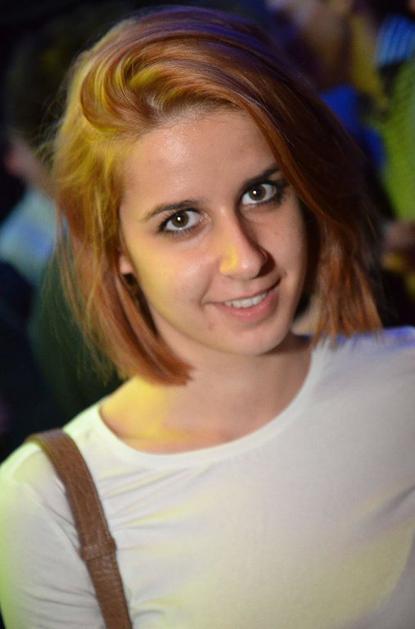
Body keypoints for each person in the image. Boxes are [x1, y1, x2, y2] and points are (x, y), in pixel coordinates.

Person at [0, 5, 414, 627]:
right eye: (181, 220)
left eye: (260, 192)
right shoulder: (48, 504)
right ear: (116, 249)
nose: (245, 258)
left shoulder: (405, 379)